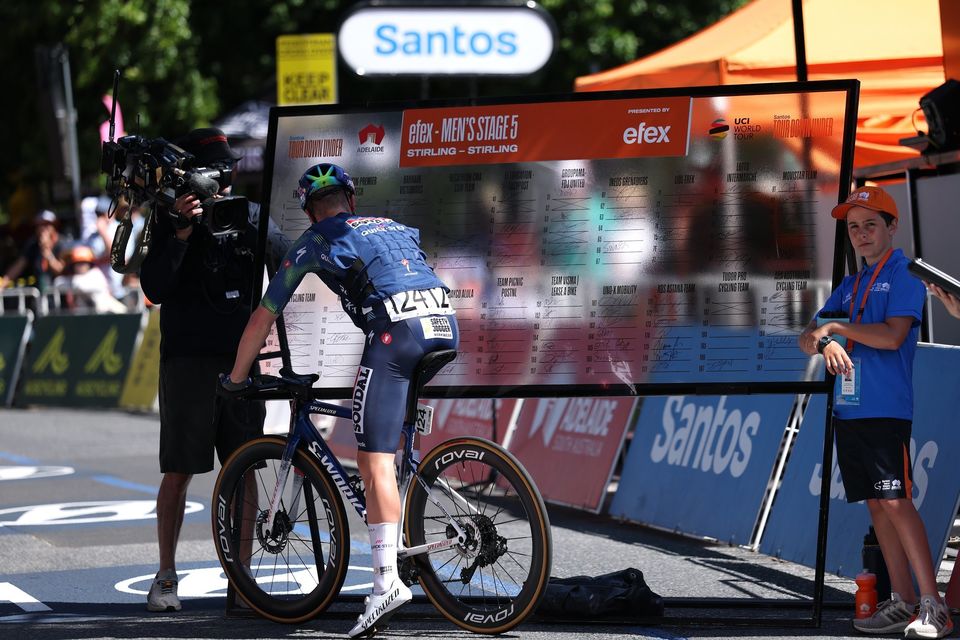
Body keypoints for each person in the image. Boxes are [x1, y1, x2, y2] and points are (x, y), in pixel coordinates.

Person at [222, 163, 458, 637]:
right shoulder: (392, 224)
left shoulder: (312, 242)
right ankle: (407, 537)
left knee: (374, 464)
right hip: (445, 325)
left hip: (397, 334)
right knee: (393, 446)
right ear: (351, 199)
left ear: (310, 211)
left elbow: (262, 318)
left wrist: (234, 379)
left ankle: (385, 583)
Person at [138, 127, 288, 613]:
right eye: (211, 171)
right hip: (186, 362)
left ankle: (240, 579)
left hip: (243, 361)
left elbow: (293, 261)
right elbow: (155, 287)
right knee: (178, 471)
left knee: (244, 469)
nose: (220, 181)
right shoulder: (168, 217)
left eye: (226, 171)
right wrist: (180, 231)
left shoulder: (251, 215)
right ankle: (165, 576)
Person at [799, 185, 952, 639]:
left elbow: (890, 336)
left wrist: (835, 327)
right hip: (850, 410)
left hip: (886, 408)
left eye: (870, 224)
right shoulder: (851, 283)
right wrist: (824, 339)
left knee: (895, 501)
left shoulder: (904, 273)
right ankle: (903, 602)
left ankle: (935, 606)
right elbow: (806, 336)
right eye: (853, 227)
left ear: (891, 226)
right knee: (877, 506)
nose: (861, 234)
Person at [1, 210, 65, 291]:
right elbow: (18, 266)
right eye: (40, 225)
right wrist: (3, 284)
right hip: (38, 293)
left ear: (54, 226)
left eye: (46, 224)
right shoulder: (33, 244)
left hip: (59, 294)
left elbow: (61, 271)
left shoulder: (62, 243)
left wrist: (48, 254)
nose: (43, 228)